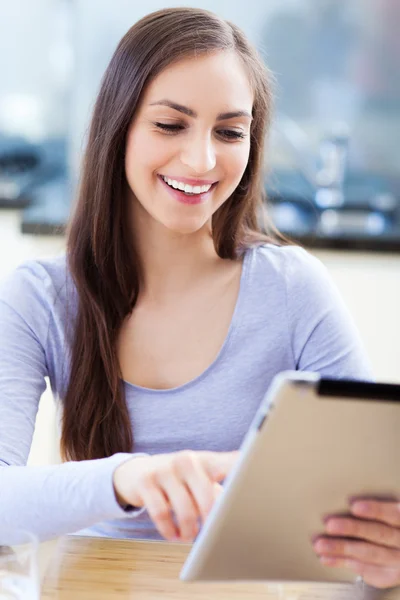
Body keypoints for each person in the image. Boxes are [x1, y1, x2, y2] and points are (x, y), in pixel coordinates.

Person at [0, 7, 398, 591]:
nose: (202, 160)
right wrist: (129, 478)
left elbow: (369, 483)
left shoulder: (292, 288)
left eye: (230, 132)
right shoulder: (39, 299)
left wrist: (383, 555)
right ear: (120, 126)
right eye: (170, 125)